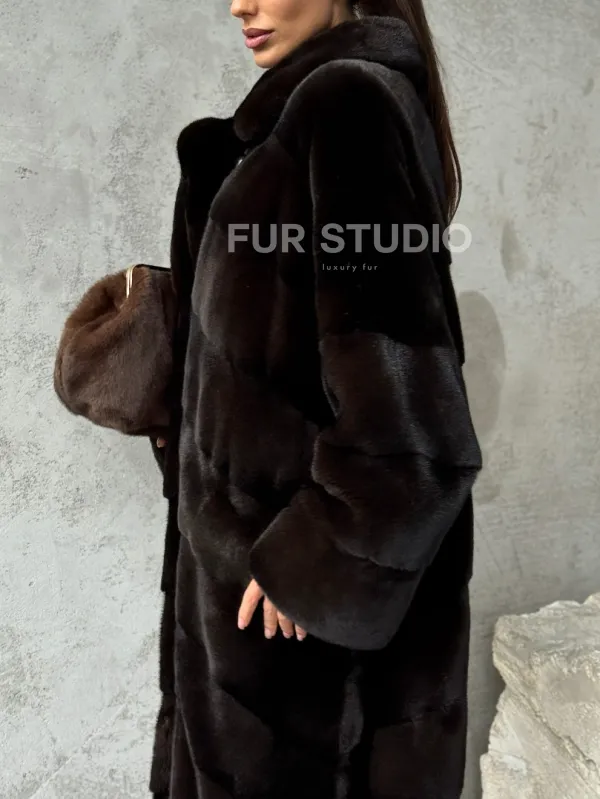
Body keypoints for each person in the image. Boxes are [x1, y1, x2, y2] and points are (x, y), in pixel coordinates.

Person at [149, 1, 483, 797]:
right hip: (251, 655)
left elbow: (412, 424)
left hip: (309, 681)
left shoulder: (348, 105)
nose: (241, 4)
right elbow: (275, 350)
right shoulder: (270, 138)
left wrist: (315, 564)